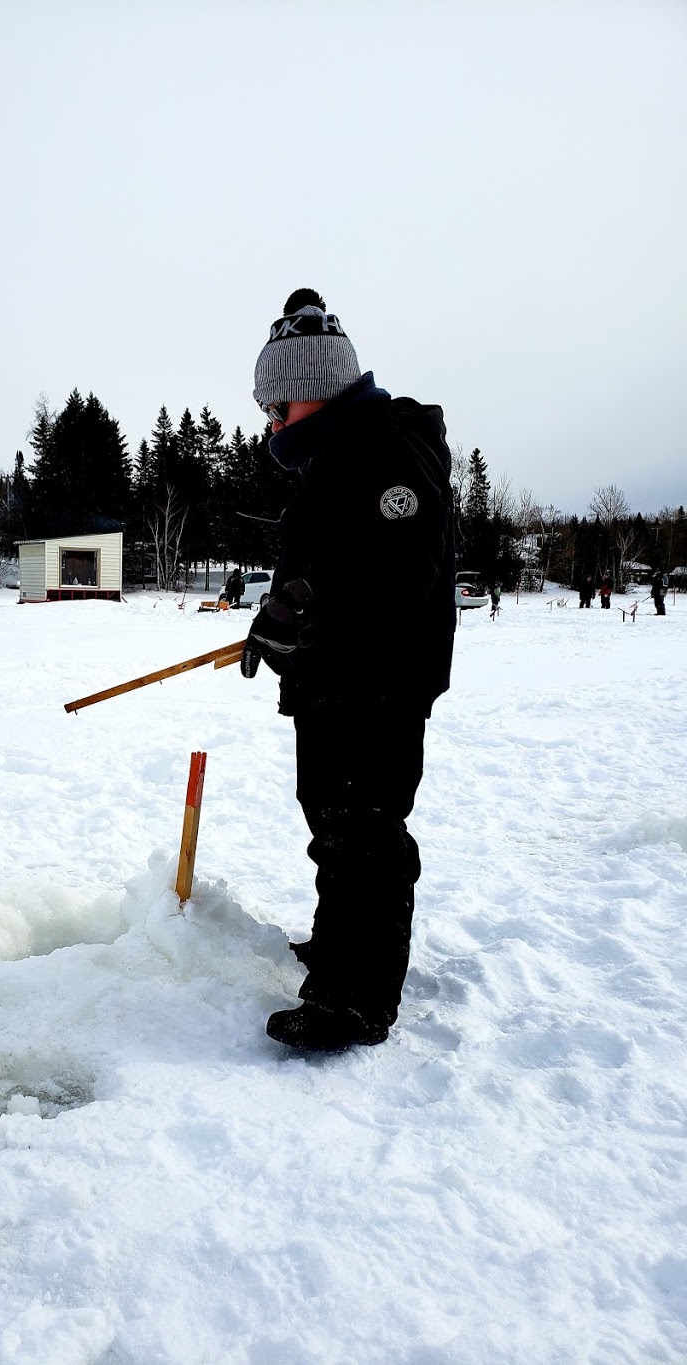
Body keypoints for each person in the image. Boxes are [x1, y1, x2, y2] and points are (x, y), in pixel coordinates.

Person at [240, 287, 456, 1053]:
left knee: (365, 827)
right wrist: (279, 624)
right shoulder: (336, 459)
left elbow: (403, 573)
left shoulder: (386, 446)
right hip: (334, 680)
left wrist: (314, 610)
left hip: (381, 681)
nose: (271, 421)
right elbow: (321, 571)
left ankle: (357, 998)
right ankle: (337, 950)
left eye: (280, 404)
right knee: (330, 820)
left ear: (317, 388)